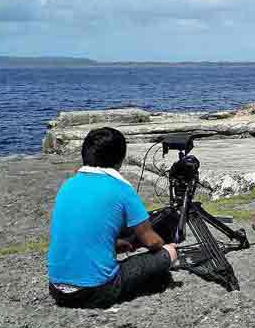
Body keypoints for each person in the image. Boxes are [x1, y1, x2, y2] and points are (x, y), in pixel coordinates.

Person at [47, 127, 179, 308]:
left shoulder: (68, 185)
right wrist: (165, 247)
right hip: (95, 290)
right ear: (120, 159)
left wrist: (114, 243)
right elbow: (151, 242)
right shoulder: (122, 188)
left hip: (57, 289)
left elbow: (82, 232)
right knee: (169, 253)